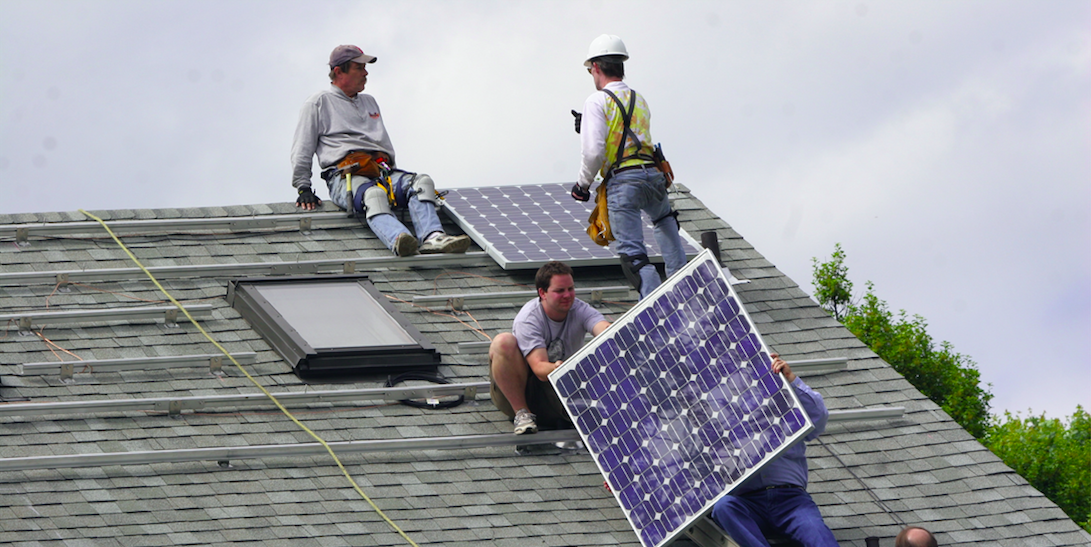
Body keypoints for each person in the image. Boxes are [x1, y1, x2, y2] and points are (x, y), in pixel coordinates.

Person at [291, 45, 470, 257]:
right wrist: (303, 188)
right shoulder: (318, 103)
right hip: (345, 176)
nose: (365, 73)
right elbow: (302, 147)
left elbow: (382, 145)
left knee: (421, 182)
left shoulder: (369, 102)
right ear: (339, 71)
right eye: (359, 67)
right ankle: (399, 239)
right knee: (374, 195)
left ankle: (433, 237)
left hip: (382, 170)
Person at [571, 34, 687, 299]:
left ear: (597, 67)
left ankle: (654, 303)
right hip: (653, 175)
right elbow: (625, 133)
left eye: (591, 70)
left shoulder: (596, 101)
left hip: (624, 181)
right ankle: (681, 282)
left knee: (633, 253)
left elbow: (593, 151)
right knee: (664, 219)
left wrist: (583, 185)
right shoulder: (640, 99)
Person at [710, 355, 839, 547]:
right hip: (747, 501)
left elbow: (818, 419)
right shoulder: (720, 420)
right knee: (723, 506)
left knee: (818, 535)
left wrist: (791, 381)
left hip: (791, 501)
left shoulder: (786, 406)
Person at [489, 261, 611, 434]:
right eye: (559, 291)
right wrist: (559, 367)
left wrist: (618, 333)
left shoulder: (580, 309)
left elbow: (604, 329)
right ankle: (522, 414)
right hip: (526, 389)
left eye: (570, 289)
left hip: (558, 390)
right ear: (542, 293)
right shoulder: (529, 319)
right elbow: (539, 369)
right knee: (503, 342)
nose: (567, 295)